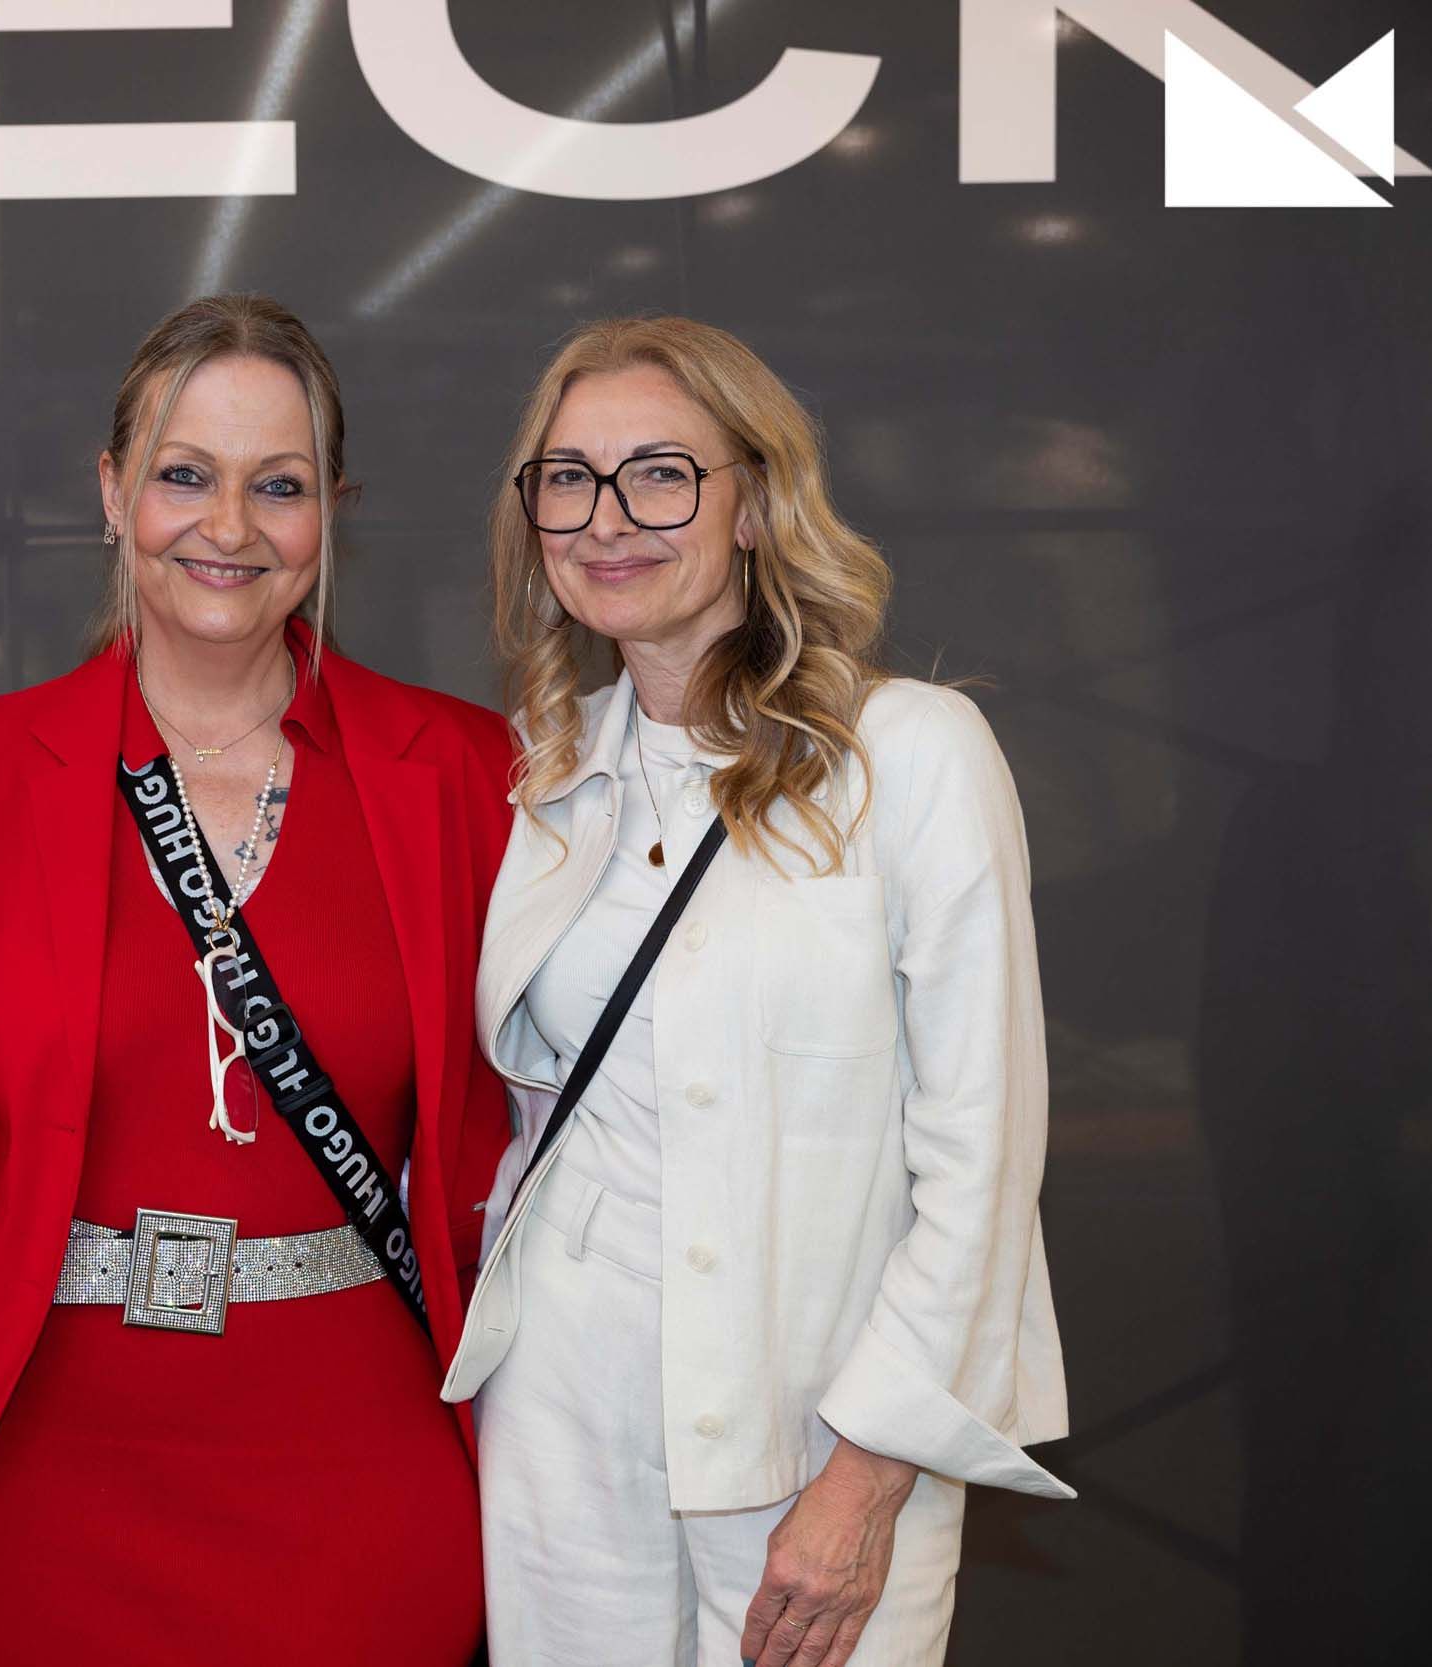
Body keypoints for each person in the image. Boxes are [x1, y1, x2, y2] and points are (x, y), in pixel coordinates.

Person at [0, 294, 513, 1665]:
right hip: (32, 1475)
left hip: (355, 1469)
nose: (229, 527)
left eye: (279, 485)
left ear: (331, 512)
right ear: (112, 493)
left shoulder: (459, 773)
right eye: (184, 475)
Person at [442, 316, 1072, 1667]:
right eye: (569, 478)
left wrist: (871, 1475)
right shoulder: (538, 777)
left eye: (662, 474)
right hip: (561, 1428)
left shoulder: (911, 756)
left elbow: (982, 1163)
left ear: (754, 503)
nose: (608, 518)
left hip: (817, 1436)